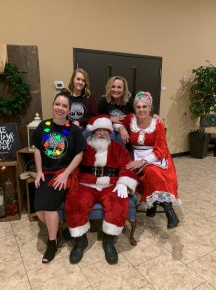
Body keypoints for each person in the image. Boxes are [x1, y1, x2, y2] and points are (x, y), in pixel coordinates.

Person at [65, 115, 137, 264]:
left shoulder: (117, 148)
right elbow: (73, 164)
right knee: (74, 202)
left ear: (110, 132)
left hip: (111, 184)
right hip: (86, 183)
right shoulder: (83, 146)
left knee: (118, 204)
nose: (102, 133)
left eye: (106, 130)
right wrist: (72, 181)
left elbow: (127, 165)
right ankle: (80, 242)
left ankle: (109, 242)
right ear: (93, 131)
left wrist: (124, 182)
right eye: (99, 130)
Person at [33, 92, 84, 263]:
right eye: (57, 104)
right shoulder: (43, 126)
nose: (60, 108)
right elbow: (38, 150)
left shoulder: (74, 130)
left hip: (64, 173)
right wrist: (39, 171)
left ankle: (52, 243)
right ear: (53, 105)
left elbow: (79, 155)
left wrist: (65, 173)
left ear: (69, 109)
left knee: (49, 207)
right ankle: (60, 231)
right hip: (45, 172)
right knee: (39, 211)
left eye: (64, 106)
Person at [118, 91, 181, 229]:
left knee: (153, 171)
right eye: (138, 107)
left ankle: (169, 211)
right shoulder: (130, 119)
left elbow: (162, 148)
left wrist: (144, 161)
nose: (141, 110)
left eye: (144, 107)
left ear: (150, 108)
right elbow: (114, 119)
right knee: (149, 172)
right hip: (137, 155)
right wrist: (122, 128)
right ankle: (155, 206)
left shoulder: (157, 123)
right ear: (135, 108)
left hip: (156, 155)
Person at [62, 68, 98, 136]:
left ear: (85, 83)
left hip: (84, 130)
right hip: (67, 127)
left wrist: (80, 122)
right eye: (78, 79)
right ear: (73, 80)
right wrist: (70, 125)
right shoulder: (65, 97)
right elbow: (60, 114)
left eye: (83, 80)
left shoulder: (90, 98)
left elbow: (94, 117)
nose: (80, 82)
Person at [98, 76, 134, 142]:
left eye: (119, 87)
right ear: (109, 88)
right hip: (108, 129)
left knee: (122, 137)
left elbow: (138, 115)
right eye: (113, 86)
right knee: (110, 135)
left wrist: (154, 117)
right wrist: (109, 119)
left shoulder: (130, 101)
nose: (116, 90)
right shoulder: (104, 100)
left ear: (124, 89)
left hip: (125, 130)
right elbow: (97, 118)